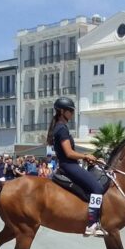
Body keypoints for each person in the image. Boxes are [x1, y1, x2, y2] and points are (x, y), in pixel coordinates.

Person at [46, 97, 104, 237]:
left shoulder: (60, 127)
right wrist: (86, 156)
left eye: (72, 111)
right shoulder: (62, 129)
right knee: (97, 188)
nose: (72, 113)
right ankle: (91, 223)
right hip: (69, 165)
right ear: (62, 111)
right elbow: (69, 153)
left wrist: (86, 157)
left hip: (68, 164)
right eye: (70, 111)